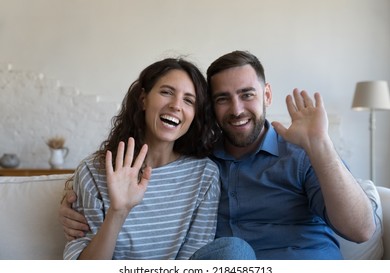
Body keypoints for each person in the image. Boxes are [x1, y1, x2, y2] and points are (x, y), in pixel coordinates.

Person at [60, 51, 376, 260]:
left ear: (266, 94)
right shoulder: (206, 162)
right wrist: (76, 195)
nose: (237, 109)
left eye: (247, 94)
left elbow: (361, 230)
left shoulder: (302, 152)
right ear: (211, 108)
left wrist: (320, 145)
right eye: (223, 99)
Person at [62, 57, 229, 260]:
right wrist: (118, 211)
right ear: (143, 99)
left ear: (195, 114)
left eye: (188, 100)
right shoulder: (94, 171)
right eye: (166, 92)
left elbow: (193, 259)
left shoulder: (204, 175)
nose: (176, 105)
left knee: (234, 250)